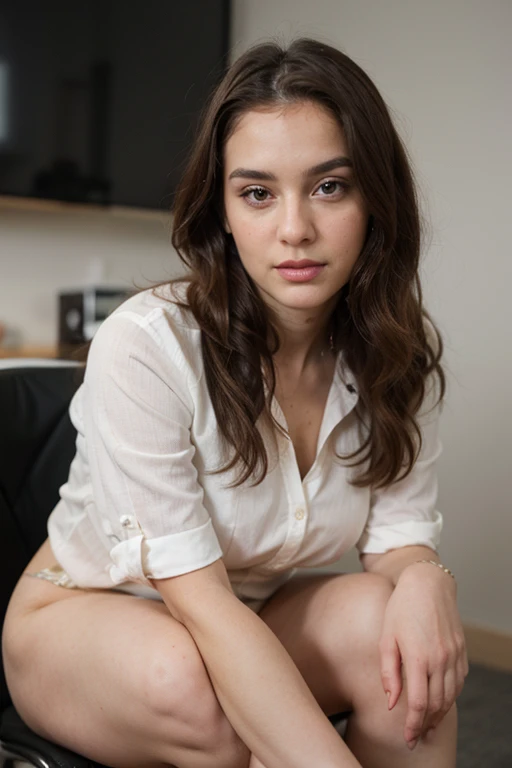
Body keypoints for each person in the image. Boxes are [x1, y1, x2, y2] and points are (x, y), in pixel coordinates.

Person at [2, 38, 468, 768]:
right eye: (257, 193)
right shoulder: (149, 344)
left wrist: (426, 581)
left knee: (404, 647)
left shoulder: (393, 353)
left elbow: (400, 541)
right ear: (221, 210)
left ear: (375, 196)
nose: (294, 230)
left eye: (329, 187)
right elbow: (202, 605)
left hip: (246, 613)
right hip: (83, 618)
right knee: (199, 694)